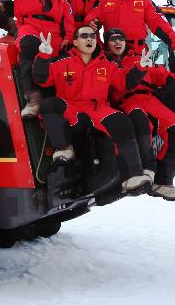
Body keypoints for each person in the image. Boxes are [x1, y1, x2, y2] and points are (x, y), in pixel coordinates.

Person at [32, 25, 154, 195]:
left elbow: (124, 82)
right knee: (48, 104)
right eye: (84, 36)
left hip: (97, 109)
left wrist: (140, 68)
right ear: (75, 41)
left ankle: (132, 175)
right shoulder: (61, 62)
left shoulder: (107, 64)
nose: (90, 39)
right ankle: (65, 149)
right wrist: (44, 56)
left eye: (93, 36)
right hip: (70, 107)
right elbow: (41, 79)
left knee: (121, 120)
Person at [105, 28, 175, 201]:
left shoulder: (138, 59)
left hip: (149, 99)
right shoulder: (104, 63)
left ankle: (164, 181)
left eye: (121, 38)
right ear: (106, 43)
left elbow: (162, 75)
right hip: (125, 100)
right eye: (113, 39)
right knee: (140, 119)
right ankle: (145, 171)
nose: (118, 42)